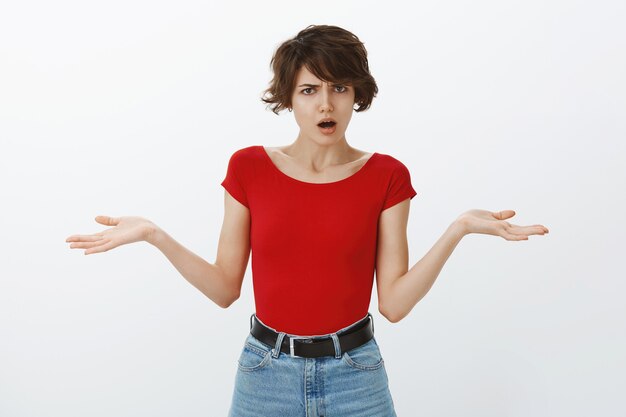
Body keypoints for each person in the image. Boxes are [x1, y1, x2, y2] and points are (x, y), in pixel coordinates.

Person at [65, 24, 549, 417]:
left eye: (339, 88)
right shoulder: (249, 168)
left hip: (355, 374)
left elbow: (395, 304)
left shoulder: (387, 176)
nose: (325, 104)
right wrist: (154, 235)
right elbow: (223, 288)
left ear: (356, 93)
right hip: (264, 374)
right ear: (289, 99)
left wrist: (458, 228)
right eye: (309, 89)